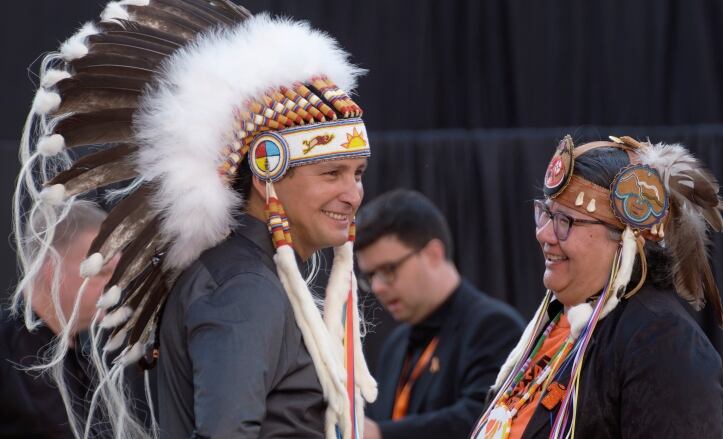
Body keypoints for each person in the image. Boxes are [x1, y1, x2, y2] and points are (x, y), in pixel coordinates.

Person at [12, 1, 376, 438]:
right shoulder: (243, 289)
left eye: (357, 174)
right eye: (331, 173)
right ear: (267, 179)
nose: (352, 194)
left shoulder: (249, 277)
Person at [471, 136, 723, 438]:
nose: (544, 234)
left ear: (626, 239)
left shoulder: (662, 342)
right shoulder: (559, 323)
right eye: (546, 213)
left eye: (565, 220)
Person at [355, 189, 526, 439]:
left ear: (434, 253)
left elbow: (485, 417)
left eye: (388, 269)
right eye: (371, 276)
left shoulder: (495, 327)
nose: (378, 287)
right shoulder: (395, 344)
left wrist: (381, 434)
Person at [1, 202, 115, 438]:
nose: (115, 286)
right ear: (54, 269)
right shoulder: (7, 353)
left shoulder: (86, 364)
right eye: (102, 272)